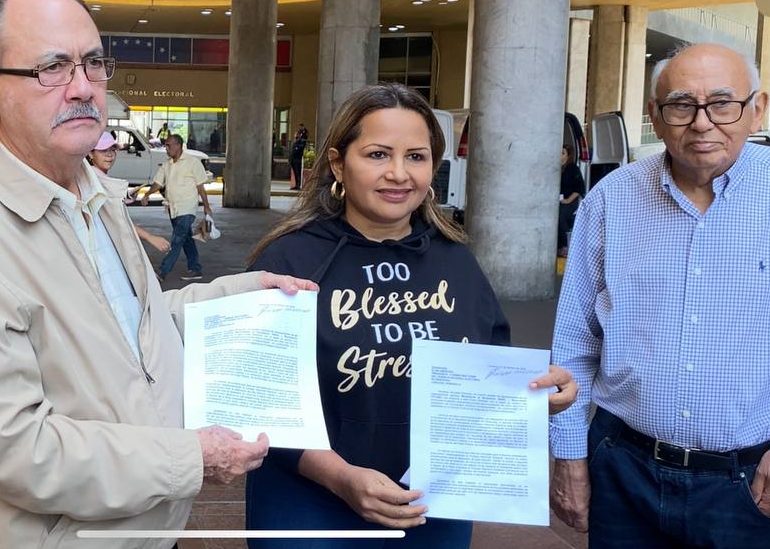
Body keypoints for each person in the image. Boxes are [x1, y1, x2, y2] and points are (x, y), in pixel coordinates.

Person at [0, 0, 319, 549]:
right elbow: (23, 453)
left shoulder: (94, 198)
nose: (82, 88)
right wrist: (192, 457)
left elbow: (133, 324)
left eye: (93, 64)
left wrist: (239, 298)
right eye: (51, 68)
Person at [550, 43, 770, 549]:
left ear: (756, 109)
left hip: (746, 480)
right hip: (622, 468)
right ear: (655, 114)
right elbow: (575, 339)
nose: (701, 123)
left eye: (722, 103)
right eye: (680, 105)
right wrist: (569, 455)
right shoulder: (612, 198)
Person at [243, 84, 578, 549]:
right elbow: (253, 400)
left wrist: (536, 394)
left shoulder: (455, 259)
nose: (398, 174)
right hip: (309, 503)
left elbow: (482, 376)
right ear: (339, 163)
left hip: (432, 505)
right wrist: (340, 477)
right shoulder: (288, 260)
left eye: (416, 157)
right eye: (378, 154)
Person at [140, 134, 211, 281]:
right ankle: (195, 269)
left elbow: (200, 187)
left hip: (187, 208)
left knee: (177, 240)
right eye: (166, 145)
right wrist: (147, 194)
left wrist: (206, 206)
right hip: (173, 208)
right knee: (186, 240)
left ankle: (162, 271)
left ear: (179, 145)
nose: (166, 148)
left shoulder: (193, 162)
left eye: (169, 145)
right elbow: (158, 183)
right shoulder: (167, 164)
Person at [87, 133, 170, 253]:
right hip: (100, 246)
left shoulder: (97, 177)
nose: (110, 154)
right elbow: (118, 219)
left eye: (113, 149)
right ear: (90, 153)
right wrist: (149, 237)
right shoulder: (95, 181)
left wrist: (126, 195)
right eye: (103, 150)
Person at [557, 144, 584, 257]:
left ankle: (565, 246)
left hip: (570, 201)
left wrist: (568, 200)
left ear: (568, 156)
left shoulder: (573, 169)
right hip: (559, 200)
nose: (560, 156)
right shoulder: (557, 168)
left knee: (560, 214)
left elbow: (579, 188)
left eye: (563, 153)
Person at [289, 122, 309, 190]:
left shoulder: (301, 141)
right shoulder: (295, 141)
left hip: (297, 159)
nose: (295, 135)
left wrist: (303, 129)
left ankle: (298, 185)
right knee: (295, 173)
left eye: (297, 134)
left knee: (298, 173)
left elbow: (305, 136)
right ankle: (296, 185)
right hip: (293, 159)